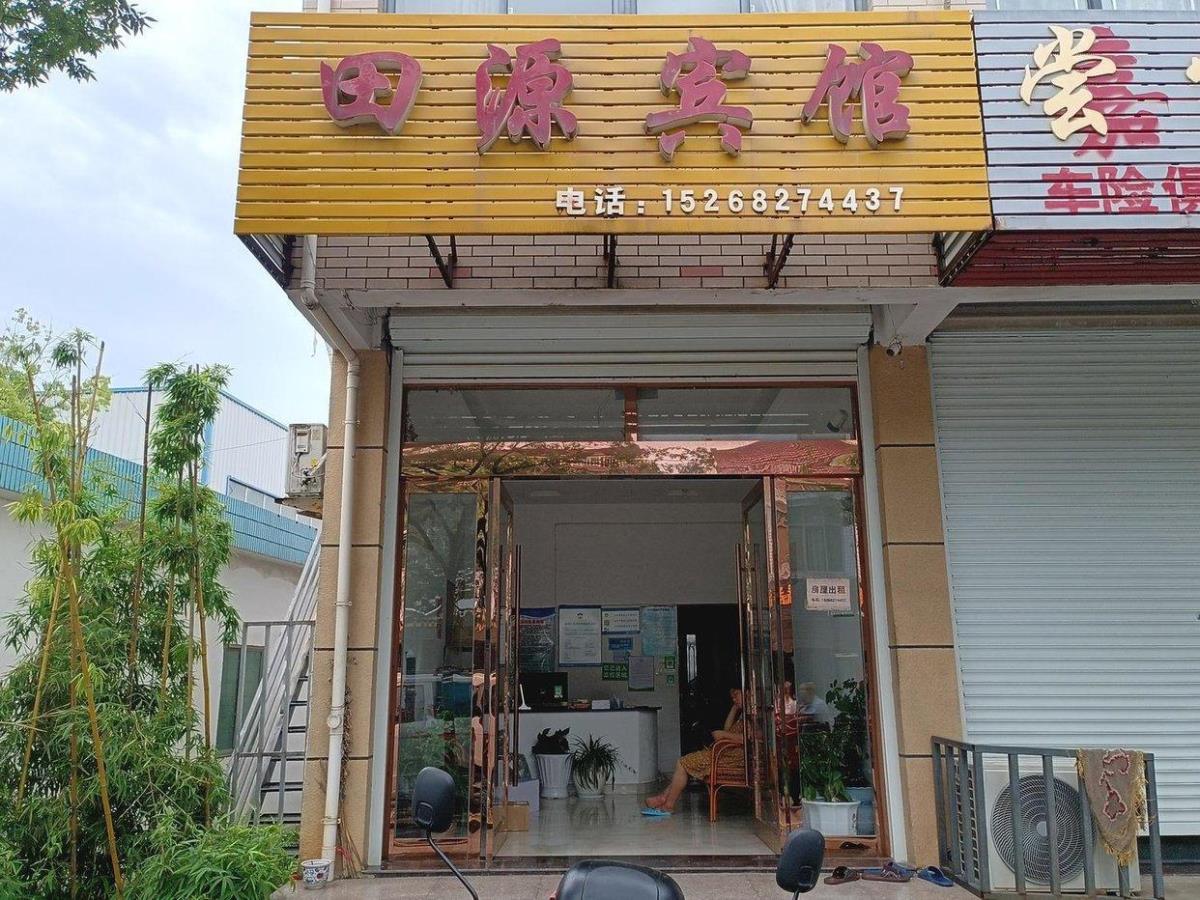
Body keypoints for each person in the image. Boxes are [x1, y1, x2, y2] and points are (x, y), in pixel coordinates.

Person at [643, 688, 745, 816]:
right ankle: (663, 798)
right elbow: (728, 729)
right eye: (732, 698)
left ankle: (668, 805)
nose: (734, 699)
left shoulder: (755, 716)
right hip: (724, 754)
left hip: (732, 758)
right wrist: (734, 708)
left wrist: (723, 735)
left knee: (682, 763)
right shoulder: (743, 715)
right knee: (684, 763)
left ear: (747, 694)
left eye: (736, 696)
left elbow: (749, 738)